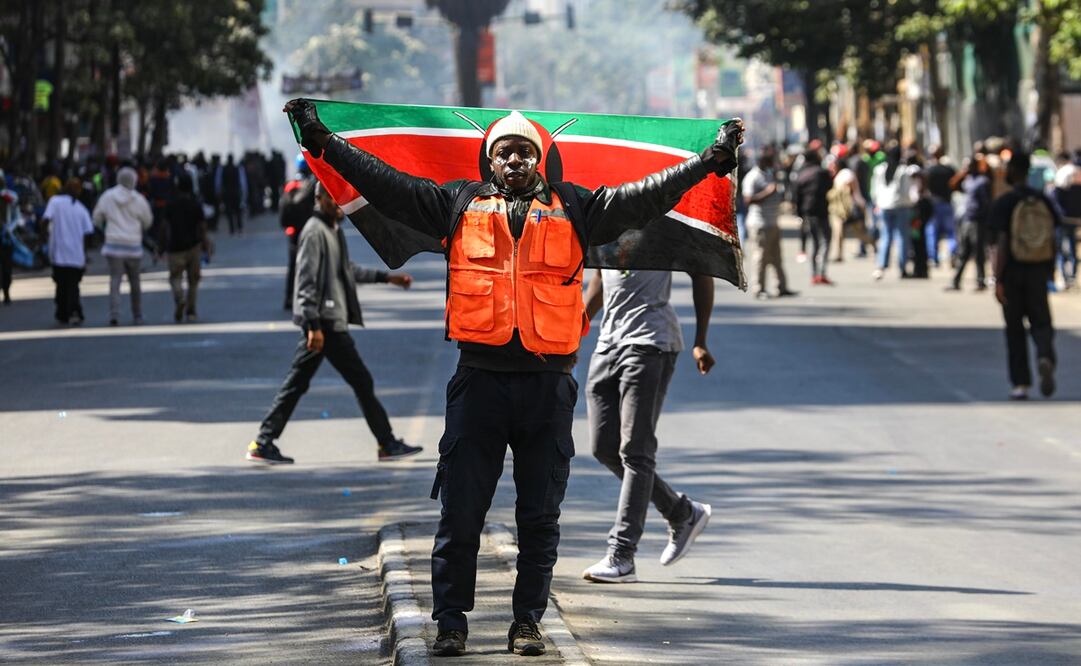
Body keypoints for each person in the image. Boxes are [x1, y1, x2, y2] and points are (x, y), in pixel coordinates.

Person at [284, 99, 744, 658]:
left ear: (542, 160)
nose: (516, 161)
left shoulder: (577, 207)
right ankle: (450, 623)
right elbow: (386, 183)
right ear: (489, 162)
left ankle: (527, 623)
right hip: (478, 382)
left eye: (527, 152)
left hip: (547, 389)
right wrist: (322, 140)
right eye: (505, 153)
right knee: (460, 513)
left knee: (539, 517)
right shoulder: (455, 204)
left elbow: (643, 196)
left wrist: (708, 161)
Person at [247, 181, 421, 464]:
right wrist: (312, 325)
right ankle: (386, 443)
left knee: (299, 384)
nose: (340, 205)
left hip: (327, 323)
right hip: (325, 325)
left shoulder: (332, 230)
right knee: (360, 381)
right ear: (320, 198)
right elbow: (305, 281)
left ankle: (264, 441)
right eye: (334, 198)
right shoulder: (315, 232)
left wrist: (387, 278)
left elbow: (346, 270)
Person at [579, 266, 714, 584]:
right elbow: (599, 276)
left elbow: (701, 272)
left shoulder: (662, 223)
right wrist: (576, 328)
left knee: (636, 450)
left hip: (651, 342)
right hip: (607, 344)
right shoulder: (605, 221)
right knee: (603, 447)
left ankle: (622, 554)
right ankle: (681, 512)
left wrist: (701, 339)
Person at [991, 152, 1061, 401]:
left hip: (1011, 272)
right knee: (1041, 322)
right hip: (1038, 270)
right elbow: (1053, 234)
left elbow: (999, 243)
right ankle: (1044, 355)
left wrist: (997, 278)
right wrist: (1050, 269)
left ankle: (1020, 384)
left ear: (1012, 171)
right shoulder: (1042, 199)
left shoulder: (1005, 203)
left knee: (1014, 329)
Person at [93, 166, 153, 326]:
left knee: (115, 281)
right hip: (133, 246)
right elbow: (147, 220)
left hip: (113, 245)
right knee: (135, 282)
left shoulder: (107, 196)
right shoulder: (139, 199)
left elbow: (97, 217)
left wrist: (105, 228)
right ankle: (137, 314)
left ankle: (114, 313)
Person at [743, 148, 794, 298]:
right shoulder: (752, 177)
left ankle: (781, 286)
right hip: (759, 223)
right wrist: (767, 192)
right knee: (761, 257)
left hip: (773, 221)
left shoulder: (769, 174)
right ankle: (759, 289)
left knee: (776, 256)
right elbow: (748, 200)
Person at [43, 178, 94, 325]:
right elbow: (88, 233)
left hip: (58, 253)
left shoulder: (55, 202)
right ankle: (72, 311)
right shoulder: (81, 209)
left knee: (61, 284)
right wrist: (84, 255)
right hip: (75, 255)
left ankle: (65, 312)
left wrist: (44, 238)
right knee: (72, 285)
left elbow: (45, 220)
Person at [160, 175, 210, 323]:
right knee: (193, 281)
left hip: (175, 248)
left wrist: (161, 245)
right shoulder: (195, 204)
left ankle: (180, 298)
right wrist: (205, 244)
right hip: (193, 246)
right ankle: (191, 311)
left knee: (175, 278)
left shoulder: (170, 204)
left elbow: (164, 227)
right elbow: (202, 227)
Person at [947, 152, 993, 291]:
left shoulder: (983, 181)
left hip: (978, 220)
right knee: (964, 252)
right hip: (967, 219)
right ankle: (956, 281)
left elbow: (987, 202)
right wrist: (962, 173)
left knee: (978, 253)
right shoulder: (967, 180)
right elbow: (952, 184)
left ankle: (980, 281)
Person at [871, 143, 916, 280]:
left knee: (886, 236)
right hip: (900, 206)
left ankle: (881, 265)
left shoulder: (879, 169)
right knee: (902, 237)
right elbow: (906, 191)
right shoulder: (903, 170)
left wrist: (877, 203)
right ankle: (902, 268)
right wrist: (912, 203)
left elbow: (874, 190)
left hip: (884, 206)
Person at [280, 154, 316, 310]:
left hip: (292, 231)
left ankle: (289, 298)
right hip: (309, 230)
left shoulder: (290, 185)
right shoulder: (312, 184)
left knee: (293, 266)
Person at [794, 147, 833, 284]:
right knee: (826, 240)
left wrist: (799, 214)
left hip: (807, 212)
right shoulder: (822, 173)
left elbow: (796, 196)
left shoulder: (801, 174)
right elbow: (830, 187)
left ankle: (815, 274)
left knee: (815, 243)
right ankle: (821, 272)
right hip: (821, 212)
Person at [923, 145, 957, 267]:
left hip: (934, 204)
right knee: (950, 232)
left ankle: (933, 257)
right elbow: (956, 182)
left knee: (932, 231)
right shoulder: (948, 169)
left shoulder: (929, 170)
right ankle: (952, 253)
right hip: (946, 203)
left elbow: (924, 187)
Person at [215, 154, 247, 235]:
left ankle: (232, 229)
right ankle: (239, 228)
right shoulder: (238, 168)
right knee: (237, 211)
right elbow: (243, 182)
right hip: (235, 192)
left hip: (227, 193)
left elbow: (218, 182)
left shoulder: (223, 169)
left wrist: (218, 191)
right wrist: (244, 192)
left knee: (229, 211)